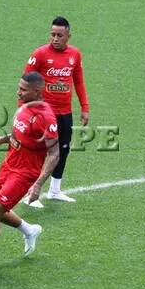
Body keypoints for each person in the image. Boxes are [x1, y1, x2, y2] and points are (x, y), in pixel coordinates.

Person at [0, 72, 59, 271]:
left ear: (37, 91)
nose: (18, 92)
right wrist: (3, 139)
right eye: (19, 88)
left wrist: (38, 185)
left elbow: (54, 154)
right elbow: (21, 132)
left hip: (24, 173)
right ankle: (29, 230)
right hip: (9, 163)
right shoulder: (25, 106)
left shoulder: (45, 117)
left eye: (23, 90)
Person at [21, 16, 89, 208]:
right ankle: (29, 194)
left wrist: (84, 108)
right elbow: (25, 81)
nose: (55, 38)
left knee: (63, 150)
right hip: (43, 112)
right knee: (39, 152)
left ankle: (54, 190)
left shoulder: (75, 54)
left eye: (60, 35)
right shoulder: (40, 54)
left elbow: (79, 82)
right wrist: (24, 109)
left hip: (65, 112)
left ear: (68, 36)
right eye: (52, 35)